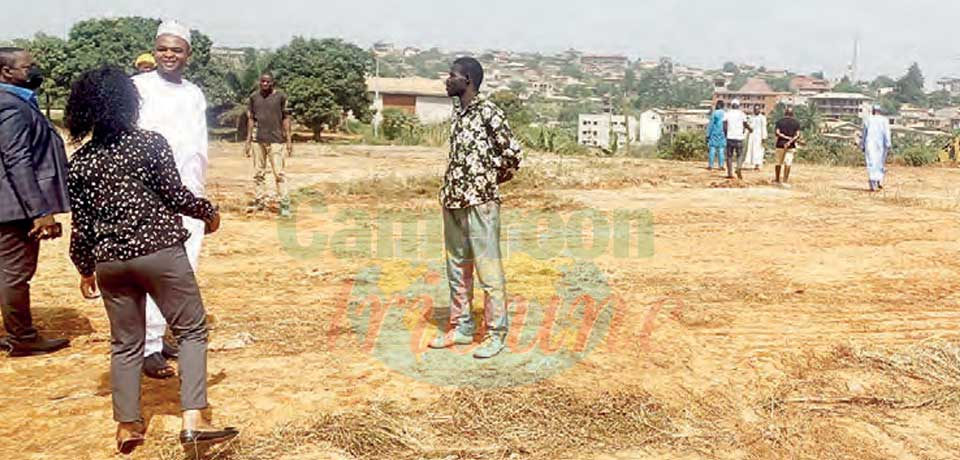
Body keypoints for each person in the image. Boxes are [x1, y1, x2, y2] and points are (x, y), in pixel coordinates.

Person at [65, 65, 237, 455]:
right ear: (129, 102)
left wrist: (84, 267)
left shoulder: (80, 163)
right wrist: (208, 212)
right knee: (192, 330)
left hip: (110, 261)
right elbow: (176, 196)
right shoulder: (149, 144)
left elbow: (82, 224)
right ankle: (193, 422)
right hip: (160, 253)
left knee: (125, 343)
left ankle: (127, 426)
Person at [428, 57, 522, 359]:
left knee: (488, 271)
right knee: (457, 269)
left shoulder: (488, 112)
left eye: (451, 75)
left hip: (480, 202)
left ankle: (496, 334)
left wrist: (486, 179)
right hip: (453, 200)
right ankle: (462, 327)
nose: (446, 80)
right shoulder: (459, 115)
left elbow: (512, 154)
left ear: (467, 79)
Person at [132, 20, 210, 380]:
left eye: (176, 50)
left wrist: (200, 199)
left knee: (182, 271)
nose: (168, 55)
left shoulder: (195, 94)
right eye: (163, 48)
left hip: (189, 194)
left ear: (188, 55)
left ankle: (160, 336)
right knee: (153, 270)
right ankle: (146, 348)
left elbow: (198, 150)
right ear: (154, 49)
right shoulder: (136, 88)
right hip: (148, 195)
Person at [0, 47, 72, 357]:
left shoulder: (13, 102)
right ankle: (23, 337)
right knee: (15, 273)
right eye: (28, 66)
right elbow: (17, 159)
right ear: (7, 72)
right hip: (14, 207)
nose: (34, 70)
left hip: (10, 202)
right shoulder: (11, 106)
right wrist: (40, 212)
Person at [244, 72, 292, 216]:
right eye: (262, 81)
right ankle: (259, 201)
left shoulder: (281, 97)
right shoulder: (254, 98)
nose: (265, 84)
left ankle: (284, 204)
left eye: (268, 82)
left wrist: (289, 139)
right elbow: (251, 119)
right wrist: (247, 140)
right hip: (258, 140)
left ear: (273, 83)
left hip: (276, 140)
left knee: (279, 173)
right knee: (258, 173)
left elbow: (286, 119)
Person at [861, 105, 892, 192]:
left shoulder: (868, 119)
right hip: (881, 145)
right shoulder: (884, 120)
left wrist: (862, 145)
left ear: (873, 111)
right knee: (880, 163)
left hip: (870, 144)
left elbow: (864, 134)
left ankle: (873, 182)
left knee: (871, 163)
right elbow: (887, 133)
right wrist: (888, 144)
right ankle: (879, 180)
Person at [723, 99, 753, 179]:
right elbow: (745, 124)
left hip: (730, 137)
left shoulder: (727, 114)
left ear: (731, 105)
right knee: (740, 155)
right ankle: (738, 167)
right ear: (738, 106)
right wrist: (750, 129)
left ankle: (730, 173)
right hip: (739, 137)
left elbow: (724, 125)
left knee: (729, 156)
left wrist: (726, 134)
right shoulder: (742, 114)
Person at [773, 107, 802, 186]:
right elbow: (797, 135)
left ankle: (777, 179)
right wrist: (790, 141)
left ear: (785, 113)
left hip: (780, 144)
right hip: (791, 146)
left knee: (778, 162)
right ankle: (785, 181)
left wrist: (785, 138)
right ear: (792, 114)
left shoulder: (779, 122)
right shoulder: (796, 123)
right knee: (788, 163)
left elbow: (777, 133)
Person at [705, 100, 726, 170]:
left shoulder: (714, 113)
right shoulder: (725, 113)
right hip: (722, 133)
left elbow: (711, 124)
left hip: (714, 133)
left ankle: (710, 165)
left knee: (712, 149)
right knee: (721, 150)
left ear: (718, 105)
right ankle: (721, 166)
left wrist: (707, 134)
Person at [745, 106, 768, 170]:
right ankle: (753, 164)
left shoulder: (762, 118)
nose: (756, 110)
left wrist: (764, 137)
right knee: (751, 149)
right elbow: (748, 125)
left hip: (759, 136)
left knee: (759, 150)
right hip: (752, 136)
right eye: (755, 109)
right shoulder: (751, 117)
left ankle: (758, 164)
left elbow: (764, 128)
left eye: (757, 109)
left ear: (759, 110)